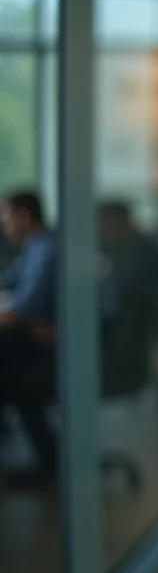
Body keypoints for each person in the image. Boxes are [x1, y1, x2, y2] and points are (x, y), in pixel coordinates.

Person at [0, 190, 58, 484]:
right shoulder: (33, 248)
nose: (2, 223)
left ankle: (49, 462)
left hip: (51, 351)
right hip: (36, 344)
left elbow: (23, 310)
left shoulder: (46, 248)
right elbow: (7, 284)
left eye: (6, 216)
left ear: (24, 217)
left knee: (12, 379)